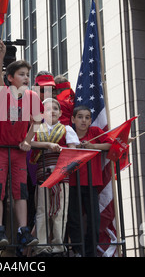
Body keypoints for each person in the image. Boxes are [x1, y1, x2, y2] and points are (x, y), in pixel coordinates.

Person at [0, 40, 43, 250]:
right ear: (10, 78)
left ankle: (23, 231)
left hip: (19, 152)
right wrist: (0, 56)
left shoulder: (32, 95)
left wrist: (28, 141)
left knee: (21, 191)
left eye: (28, 75)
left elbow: (36, 121)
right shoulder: (2, 92)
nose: (26, 78)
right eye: (21, 74)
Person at [30, 98, 79, 256]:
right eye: (48, 109)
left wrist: (62, 150)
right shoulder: (37, 129)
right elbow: (28, 142)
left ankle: (58, 245)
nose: (52, 111)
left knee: (60, 211)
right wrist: (48, 145)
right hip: (43, 173)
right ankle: (42, 246)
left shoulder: (67, 130)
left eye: (55, 109)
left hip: (61, 175)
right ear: (43, 113)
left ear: (60, 112)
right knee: (42, 210)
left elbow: (73, 151)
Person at [67, 105, 113, 257]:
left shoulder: (95, 132)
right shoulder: (68, 132)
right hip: (72, 182)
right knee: (74, 219)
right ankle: (78, 250)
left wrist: (93, 146)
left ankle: (90, 251)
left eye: (87, 117)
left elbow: (111, 145)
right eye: (80, 117)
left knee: (94, 220)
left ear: (91, 120)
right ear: (73, 119)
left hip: (92, 183)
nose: (83, 120)